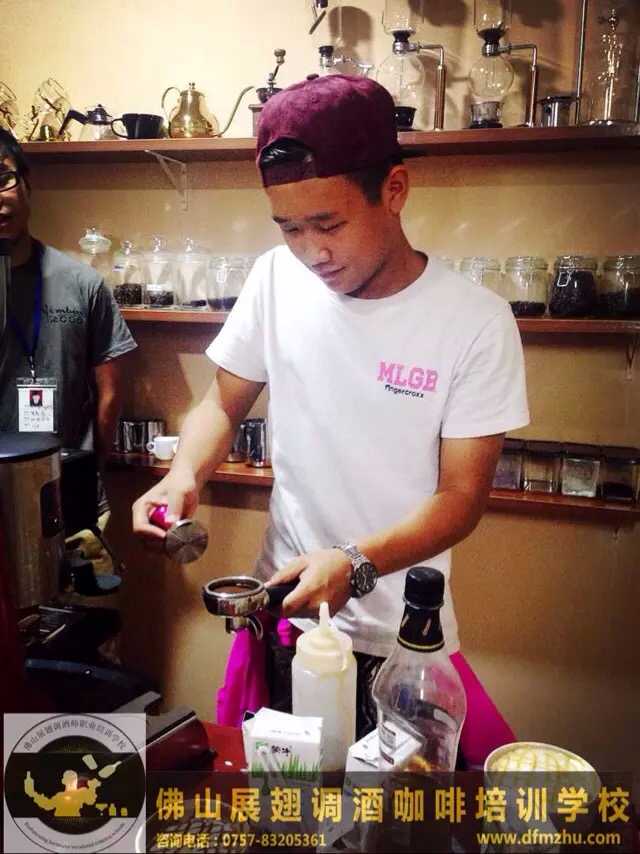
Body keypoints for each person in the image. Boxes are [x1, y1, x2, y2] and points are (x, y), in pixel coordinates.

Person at [132, 75, 529, 763]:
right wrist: (183, 474)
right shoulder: (275, 280)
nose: (311, 251)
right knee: (285, 803)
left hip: (401, 639)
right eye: (290, 228)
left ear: (394, 191)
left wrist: (355, 563)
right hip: (286, 617)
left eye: (329, 224)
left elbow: (461, 499)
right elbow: (221, 403)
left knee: (395, 812)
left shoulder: (474, 322)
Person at [0, 128, 136, 522]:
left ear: (27, 183)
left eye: (3, 178)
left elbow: (110, 392)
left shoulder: (82, 283)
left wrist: (92, 468)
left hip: (67, 490)